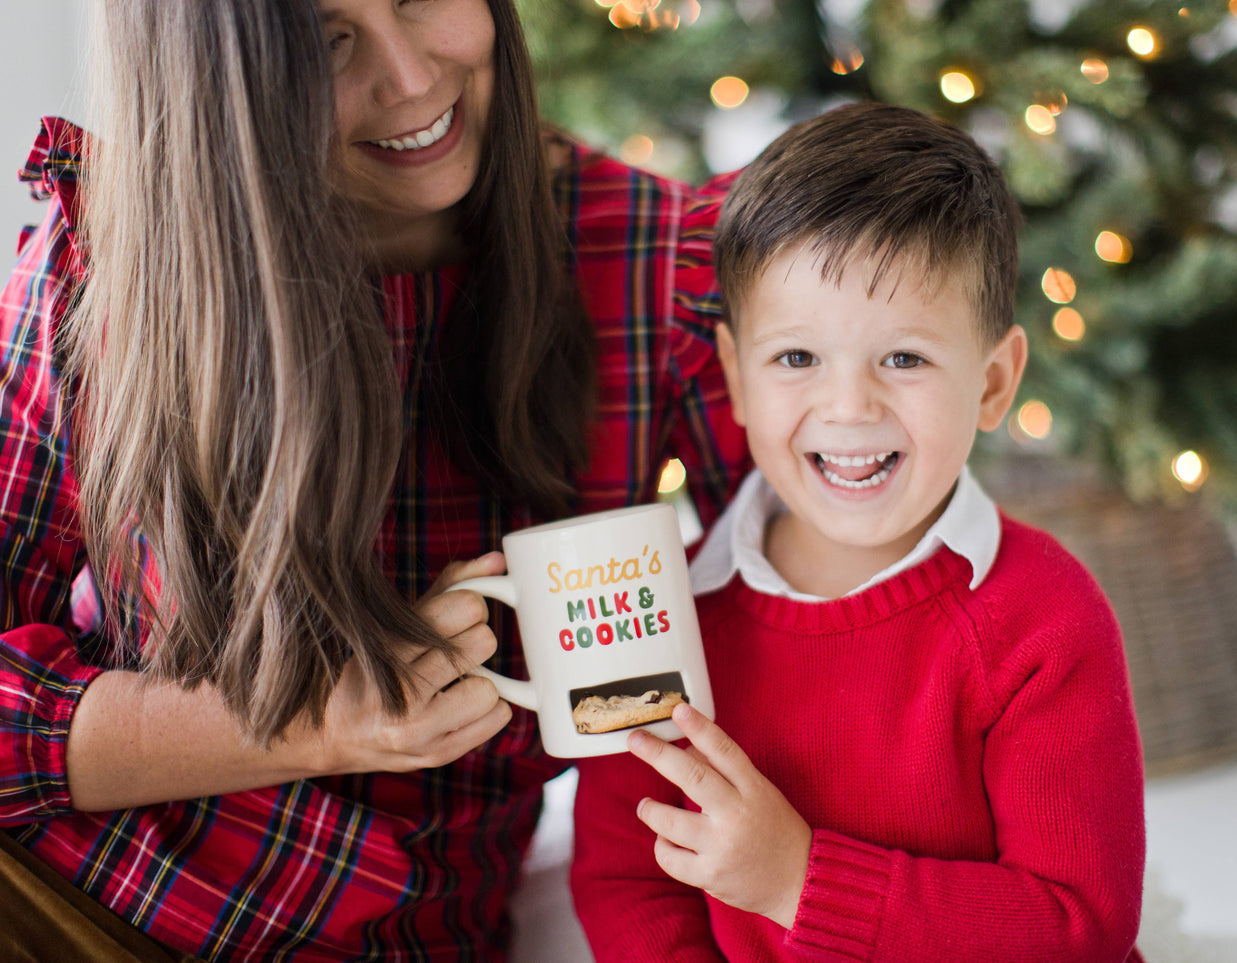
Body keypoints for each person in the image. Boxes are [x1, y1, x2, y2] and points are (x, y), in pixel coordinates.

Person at [0, 0, 747, 959]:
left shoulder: (653, 262)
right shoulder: (105, 267)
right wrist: (305, 724)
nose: (410, 79)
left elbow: (831, 624)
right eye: (322, 42)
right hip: (86, 912)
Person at [570, 101, 1148, 962]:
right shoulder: (656, 614)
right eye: (796, 358)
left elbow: (1079, 924)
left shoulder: (1042, 618)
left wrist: (797, 881)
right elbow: (626, 879)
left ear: (993, 383)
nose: (848, 407)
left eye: (904, 358)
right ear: (734, 372)